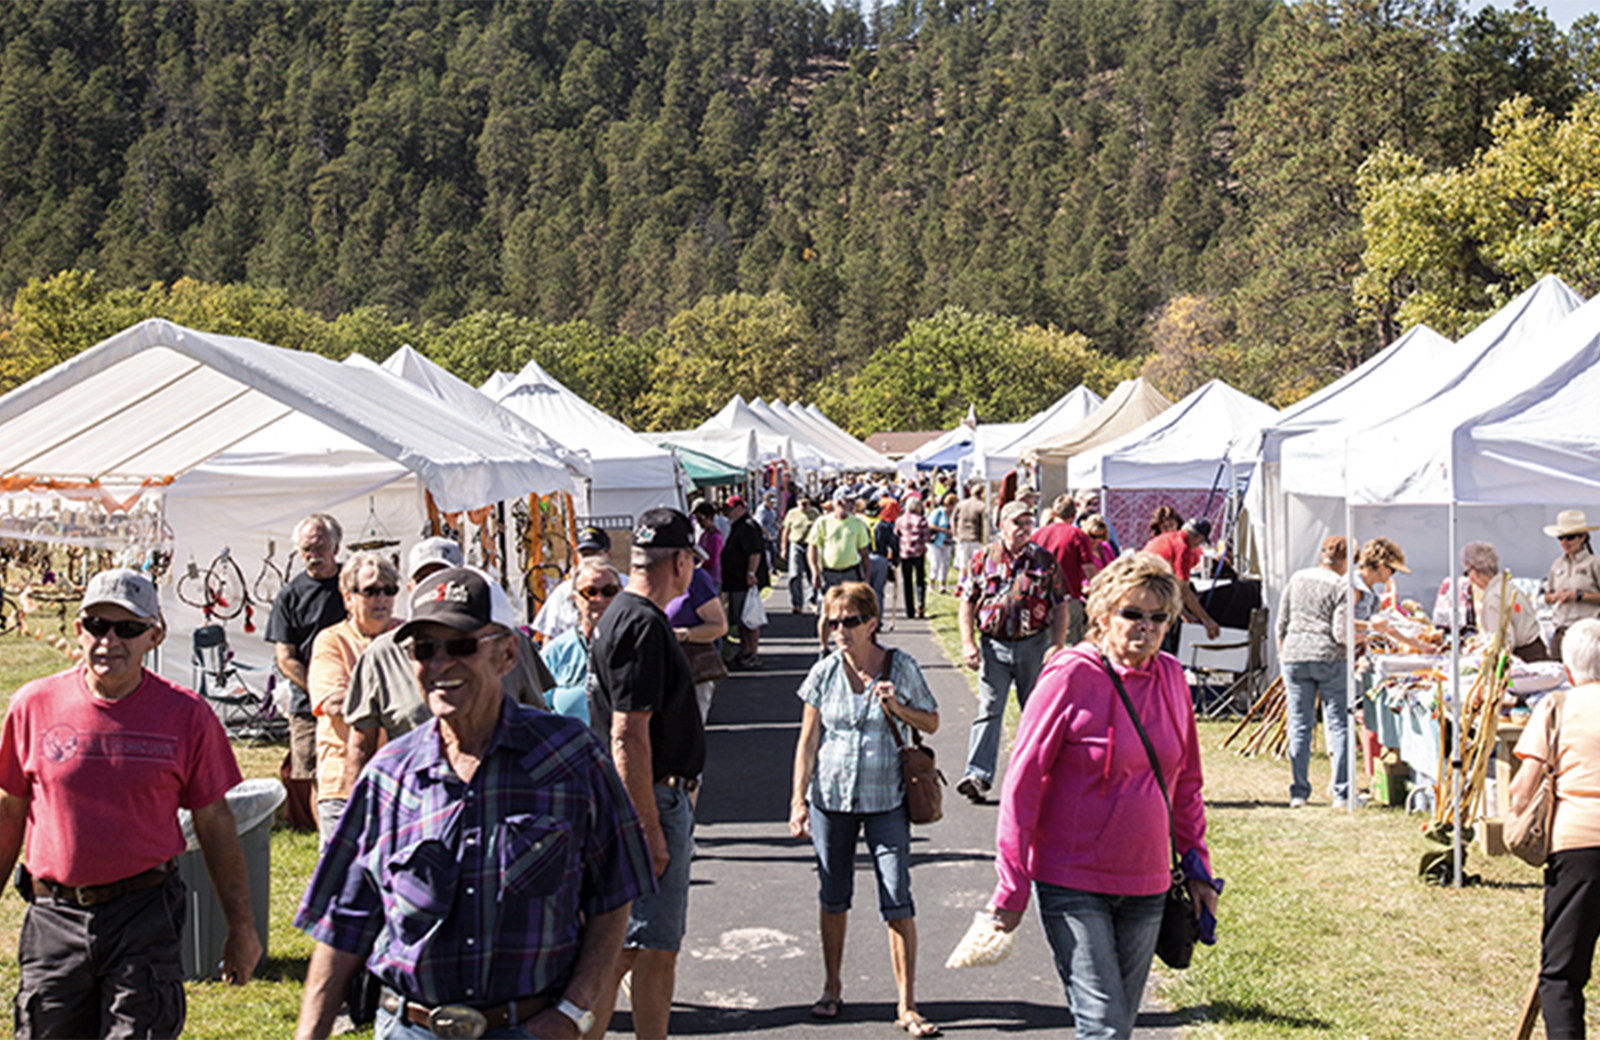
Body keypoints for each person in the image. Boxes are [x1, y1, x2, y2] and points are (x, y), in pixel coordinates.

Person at [294, 566, 653, 1040]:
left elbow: (615, 892)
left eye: (461, 645)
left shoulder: (569, 756)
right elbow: (343, 923)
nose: (441, 664)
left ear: (507, 654)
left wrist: (575, 1010)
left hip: (527, 1029)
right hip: (410, 1028)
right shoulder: (388, 774)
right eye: (425, 649)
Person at [0, 569, 262, 1037]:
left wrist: (241, 927)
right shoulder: (32, 705)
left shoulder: (188, 716)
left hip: (144, 912)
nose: (109, 640)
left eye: (127, 628)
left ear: (154, 635)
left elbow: (215, 821)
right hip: (54, 916)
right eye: (97, 625)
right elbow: (8, 812)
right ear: (78, 630)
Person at [988, 552, 1218, 1040]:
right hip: (1073, 880)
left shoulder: (1173, 677)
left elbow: (1187, 785)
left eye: (1159, 618)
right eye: (1132, 614)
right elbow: (1022, 784)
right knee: (1105, 1028)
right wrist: (1011, 885)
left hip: (1149, 880)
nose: (1147, 627)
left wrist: (1198, 868)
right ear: (1102, 614)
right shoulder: (1069, 675)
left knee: (1119, 1025)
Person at [788, 583, 941, 1037]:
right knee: (833, 897)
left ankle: (907, 1004)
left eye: (849, 621)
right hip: (830, 801)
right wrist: (798, 800)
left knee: (897, 896)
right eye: (833, 622)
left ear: (872, 622)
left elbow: (932, 720)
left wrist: (898, 706)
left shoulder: (902, 666)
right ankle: (832, 986)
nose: (840, 631)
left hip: (887, 799)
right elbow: (808, 741)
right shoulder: (824, 672)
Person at [589, 509, 706, 1039]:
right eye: (691, 561)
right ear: (680, 561)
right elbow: (627, 732)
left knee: (637, 946)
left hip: (646, 797)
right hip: (650, 799)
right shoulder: (639, 622)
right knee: (640, 949)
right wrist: (648, 829)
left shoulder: (623, 615)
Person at [341, 539, 553, 795]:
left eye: (463, 647)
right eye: (424, 651)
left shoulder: (502, 643)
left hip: (509, 788)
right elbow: (360, 746)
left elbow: (538, 715)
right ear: (409, 588)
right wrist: (351, 808)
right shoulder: (381, 655)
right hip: (417, 796)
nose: (438, 590)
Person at [1512, 619, 1600, 1040]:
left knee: (1562, 973)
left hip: (1578, 845)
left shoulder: (1557, 707)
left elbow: (1521, 791)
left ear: (1567, 670)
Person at [955, 500, 1070, 804]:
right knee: (989, 710)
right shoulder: (982, 559)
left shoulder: (1044, 561)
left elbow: (1060, 606)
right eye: (1017, 522)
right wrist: (967, 643)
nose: (1023, 528)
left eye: (1028, 522)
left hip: (1034, 645)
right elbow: (966, 602)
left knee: (1035, 712)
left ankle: (1039, 775)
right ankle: (977, 776)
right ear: (1001, 524)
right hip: (994, 646)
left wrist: (1057, 644)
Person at [309, 551, 402, 843]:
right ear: (348, 597)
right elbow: (333, 702)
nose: (382, 599)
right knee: (342, 878)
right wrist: (399, 700)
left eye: (389, 590)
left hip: (402, 779)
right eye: (371, 591)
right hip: (343, 782)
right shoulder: (331, 640)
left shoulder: (407, 635)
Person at [268, 513, 348, 815]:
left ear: (336, 547)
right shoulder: (289, 596)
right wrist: (320, 689)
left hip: (360, 692)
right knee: (315, 772)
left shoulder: (355, 586)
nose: (313, 556)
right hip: (308, 701)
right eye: (306, 550)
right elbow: (285, 657)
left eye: (319, 547)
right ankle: (324, 843)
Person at [1277, 536, 1355, 809]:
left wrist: (1282, 652)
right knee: (1339, 724)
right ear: (1345, 561)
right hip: (1329, 656)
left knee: (1299, 724)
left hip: (1295, 654)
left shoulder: (1298, 578)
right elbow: (1340, 632)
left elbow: (1282, 621)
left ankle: (1299, 791)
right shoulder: (1342, 585)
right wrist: (1361, 639)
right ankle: (1342, 792)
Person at [540, 558, 626, 721]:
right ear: (575, 597)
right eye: (590, 592)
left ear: (620, 593)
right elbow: (535, 709)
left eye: (608, 591)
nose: (599, 599)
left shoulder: (636, 646)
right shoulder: (557, 652)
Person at [666, 549, 730, 724]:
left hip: (690, 667)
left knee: (686, 735)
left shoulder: (696, 578)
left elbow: (719, 626)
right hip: (657, 668)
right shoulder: (647, 581)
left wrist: (684, 635)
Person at [1458, 541, 1549, 661]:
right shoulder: (1508, 586)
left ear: (1474, 572)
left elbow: (1503, 643)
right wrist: (1482, 643)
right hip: (1537, 649)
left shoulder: (1493, 599)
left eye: (1466, 573)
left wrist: (1476, 653)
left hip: (1524, 659)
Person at [1143, 517, 1221, 650]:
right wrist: (1206, 620)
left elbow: (1174, 586)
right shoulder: (1183, 548)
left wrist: (1184, 613)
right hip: (1150, 591)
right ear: (1197, 538)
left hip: (1144, 587)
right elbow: (1183, 589)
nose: (1198, 546)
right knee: (1161, 638)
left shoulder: (1170, 538)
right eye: (1201, 542)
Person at [1033, 492, 1101, 646]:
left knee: (1043, 646)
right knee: (1068, 645)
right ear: (1074, 515)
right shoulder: (1078, 535)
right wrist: (1099, 591)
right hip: (1068, 596)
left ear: (1054, 513)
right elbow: (1089, 568)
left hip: (1041, 599)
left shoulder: (1038, 535)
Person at [532, 525, 615, 642]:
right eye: (584, 554)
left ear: (608, 553)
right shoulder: (562, 592)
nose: (589, 559)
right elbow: (549, 637)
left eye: (595, 553)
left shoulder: (627, 585)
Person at [1544, 510, 1600, 660]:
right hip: (1561, 631)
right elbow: (1547, 597)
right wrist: (1555, 596)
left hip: (1586, 633)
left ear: (1583, 537)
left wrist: (1580, 596)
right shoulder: (1557, 565)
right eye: (1561, 538)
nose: (1564, 543)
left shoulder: (1594, 563)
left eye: (1569, 538)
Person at [721, 495, 768, 671]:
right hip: (735, 580)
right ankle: (744, 650)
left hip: (744, 581)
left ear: (741, 508)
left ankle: (752, 652)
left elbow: (754, 552)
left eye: (731, 510)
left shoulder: (748, 526)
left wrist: (751, 573)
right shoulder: (738, 526)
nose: (728, 514)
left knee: (749, 617)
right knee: (740, 618)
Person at [808, 487, 872, 596]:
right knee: (828, 609)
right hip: (829, 573)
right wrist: (815, 571)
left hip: (850, 572)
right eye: (849, 501)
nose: (853, 504)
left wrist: (866, 576)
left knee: (850, 609)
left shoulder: (857, 523)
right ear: (839, 502)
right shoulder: (823, 522)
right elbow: (812, 547)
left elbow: (864, 551)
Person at [782, 494, 821, 614]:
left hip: (810, 545)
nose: (805, 506)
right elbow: (786, 531)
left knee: (812, 573)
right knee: (794, 575)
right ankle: (797, 603)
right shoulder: (792, 513)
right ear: (797, 503)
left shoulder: (815, 513)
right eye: (802, 503)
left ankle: (812, 601)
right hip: (796, 544)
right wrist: (784, 548)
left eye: (807, 503)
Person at [896, 495, 931, 619]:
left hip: (905, 553)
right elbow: (926, 537)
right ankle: (921, 602)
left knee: (907, 582)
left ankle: (909, 609)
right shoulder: (921, 520)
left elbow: (896, 533)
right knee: (920, 579)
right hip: (919, 552)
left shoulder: (900, 520)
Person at [866, 499, 898, 616]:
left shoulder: (861, 524)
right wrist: (895, 560)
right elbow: (894, 543)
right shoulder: (884, 525)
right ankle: (877, 621)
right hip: (881, 558)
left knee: (865, 591)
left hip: (864, 558)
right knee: (878, 592)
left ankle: (867, 619)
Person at [951, 483, 987, 578]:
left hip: (962, 538)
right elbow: (985, 524)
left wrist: (955, 535)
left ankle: (962, 586)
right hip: (976, 538)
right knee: (975, 565)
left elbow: (953, 520)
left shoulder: (961, 504)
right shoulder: (981, 506)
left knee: (963, 566)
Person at [692, 500, 725, 589]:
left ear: (710, 516)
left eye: (700, 518)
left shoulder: (715, 537)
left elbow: (712, 562)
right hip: (705, 578)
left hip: (713, 579)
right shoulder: (705, 534)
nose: (699, 522)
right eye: (696, 519)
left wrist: (700, 565)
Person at [928, 492, 957, 591]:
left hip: (948, 543)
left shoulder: (953, 514)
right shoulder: (938, 512)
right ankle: (931, 585)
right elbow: (930, 525)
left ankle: (942, 585)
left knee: (945, 564)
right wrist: (944, 530)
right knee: (935, 564)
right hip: (936, 542)